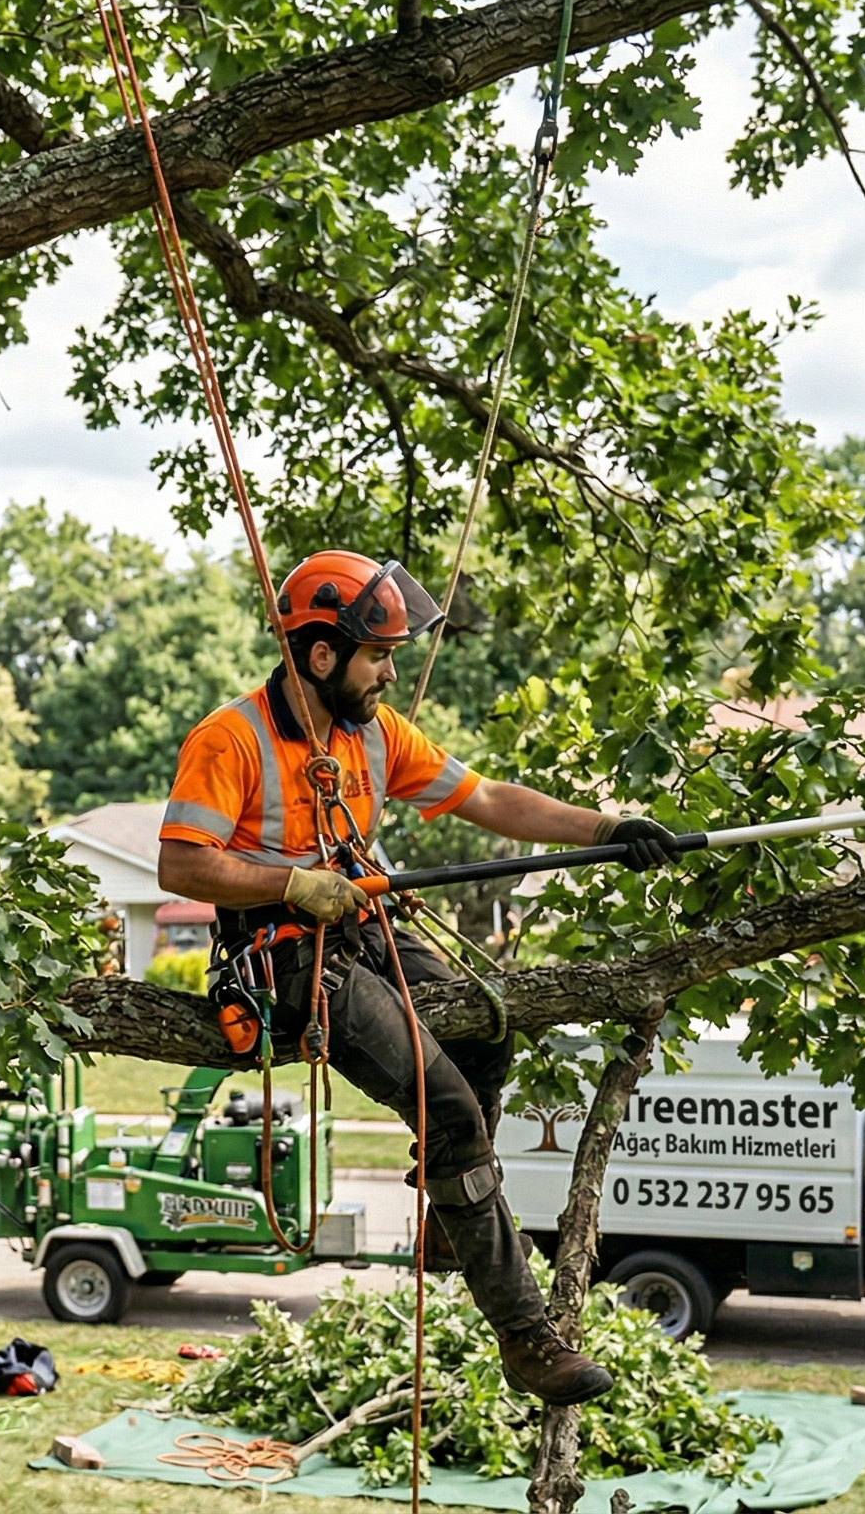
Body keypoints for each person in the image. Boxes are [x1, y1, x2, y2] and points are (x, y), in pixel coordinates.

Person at [155, 550, 680, 1406]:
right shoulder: (232, 739)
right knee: (451, 1112)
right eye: (378, 655)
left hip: (363, 928)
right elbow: (182, 864)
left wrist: (607, 825)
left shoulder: (372, 732)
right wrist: (288, 881)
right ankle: (526, 1338)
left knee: (488, 1026)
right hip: (287, 958)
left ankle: (450, 1212)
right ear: (321, 655)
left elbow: (490, 799)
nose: (390, 672)